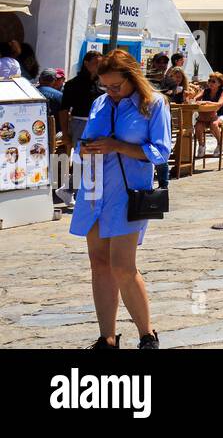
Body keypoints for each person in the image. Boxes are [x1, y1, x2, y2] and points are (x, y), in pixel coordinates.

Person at [69, 49, 170, 349]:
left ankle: (147, 335)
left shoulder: (153, 104)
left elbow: (161, 152)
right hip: (94, 191)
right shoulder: (101, 103)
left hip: (127, 194)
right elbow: (81, 144)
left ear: (132, 78)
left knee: (123, 267)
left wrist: (117, 146)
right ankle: (107, 339)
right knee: (99, 264)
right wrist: (85, 149)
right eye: (105, 86)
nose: (111, 92)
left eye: (116, 86)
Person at [57, 51, 102, 204]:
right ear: (86, 63)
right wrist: (65, 133)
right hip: (80, 123)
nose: (99, 66)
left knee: (92, 159)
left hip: (97, 124)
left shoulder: (102, 83)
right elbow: (64, 110)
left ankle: (71, 189)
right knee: (83, 158)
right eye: (96, 62)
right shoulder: (73, 84)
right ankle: (70, 189)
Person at [195, 73, 223, 157]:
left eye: (213, 81)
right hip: (207, 115)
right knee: (198, 126)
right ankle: (201, 145)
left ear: (220, 83)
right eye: (209, 81)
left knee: (214, 124)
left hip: (222, 115)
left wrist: (206, 102)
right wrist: (191, 94)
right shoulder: (206, 91)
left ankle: (220, 143)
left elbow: (219, 104)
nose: (210, 83)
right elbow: (194, 99)